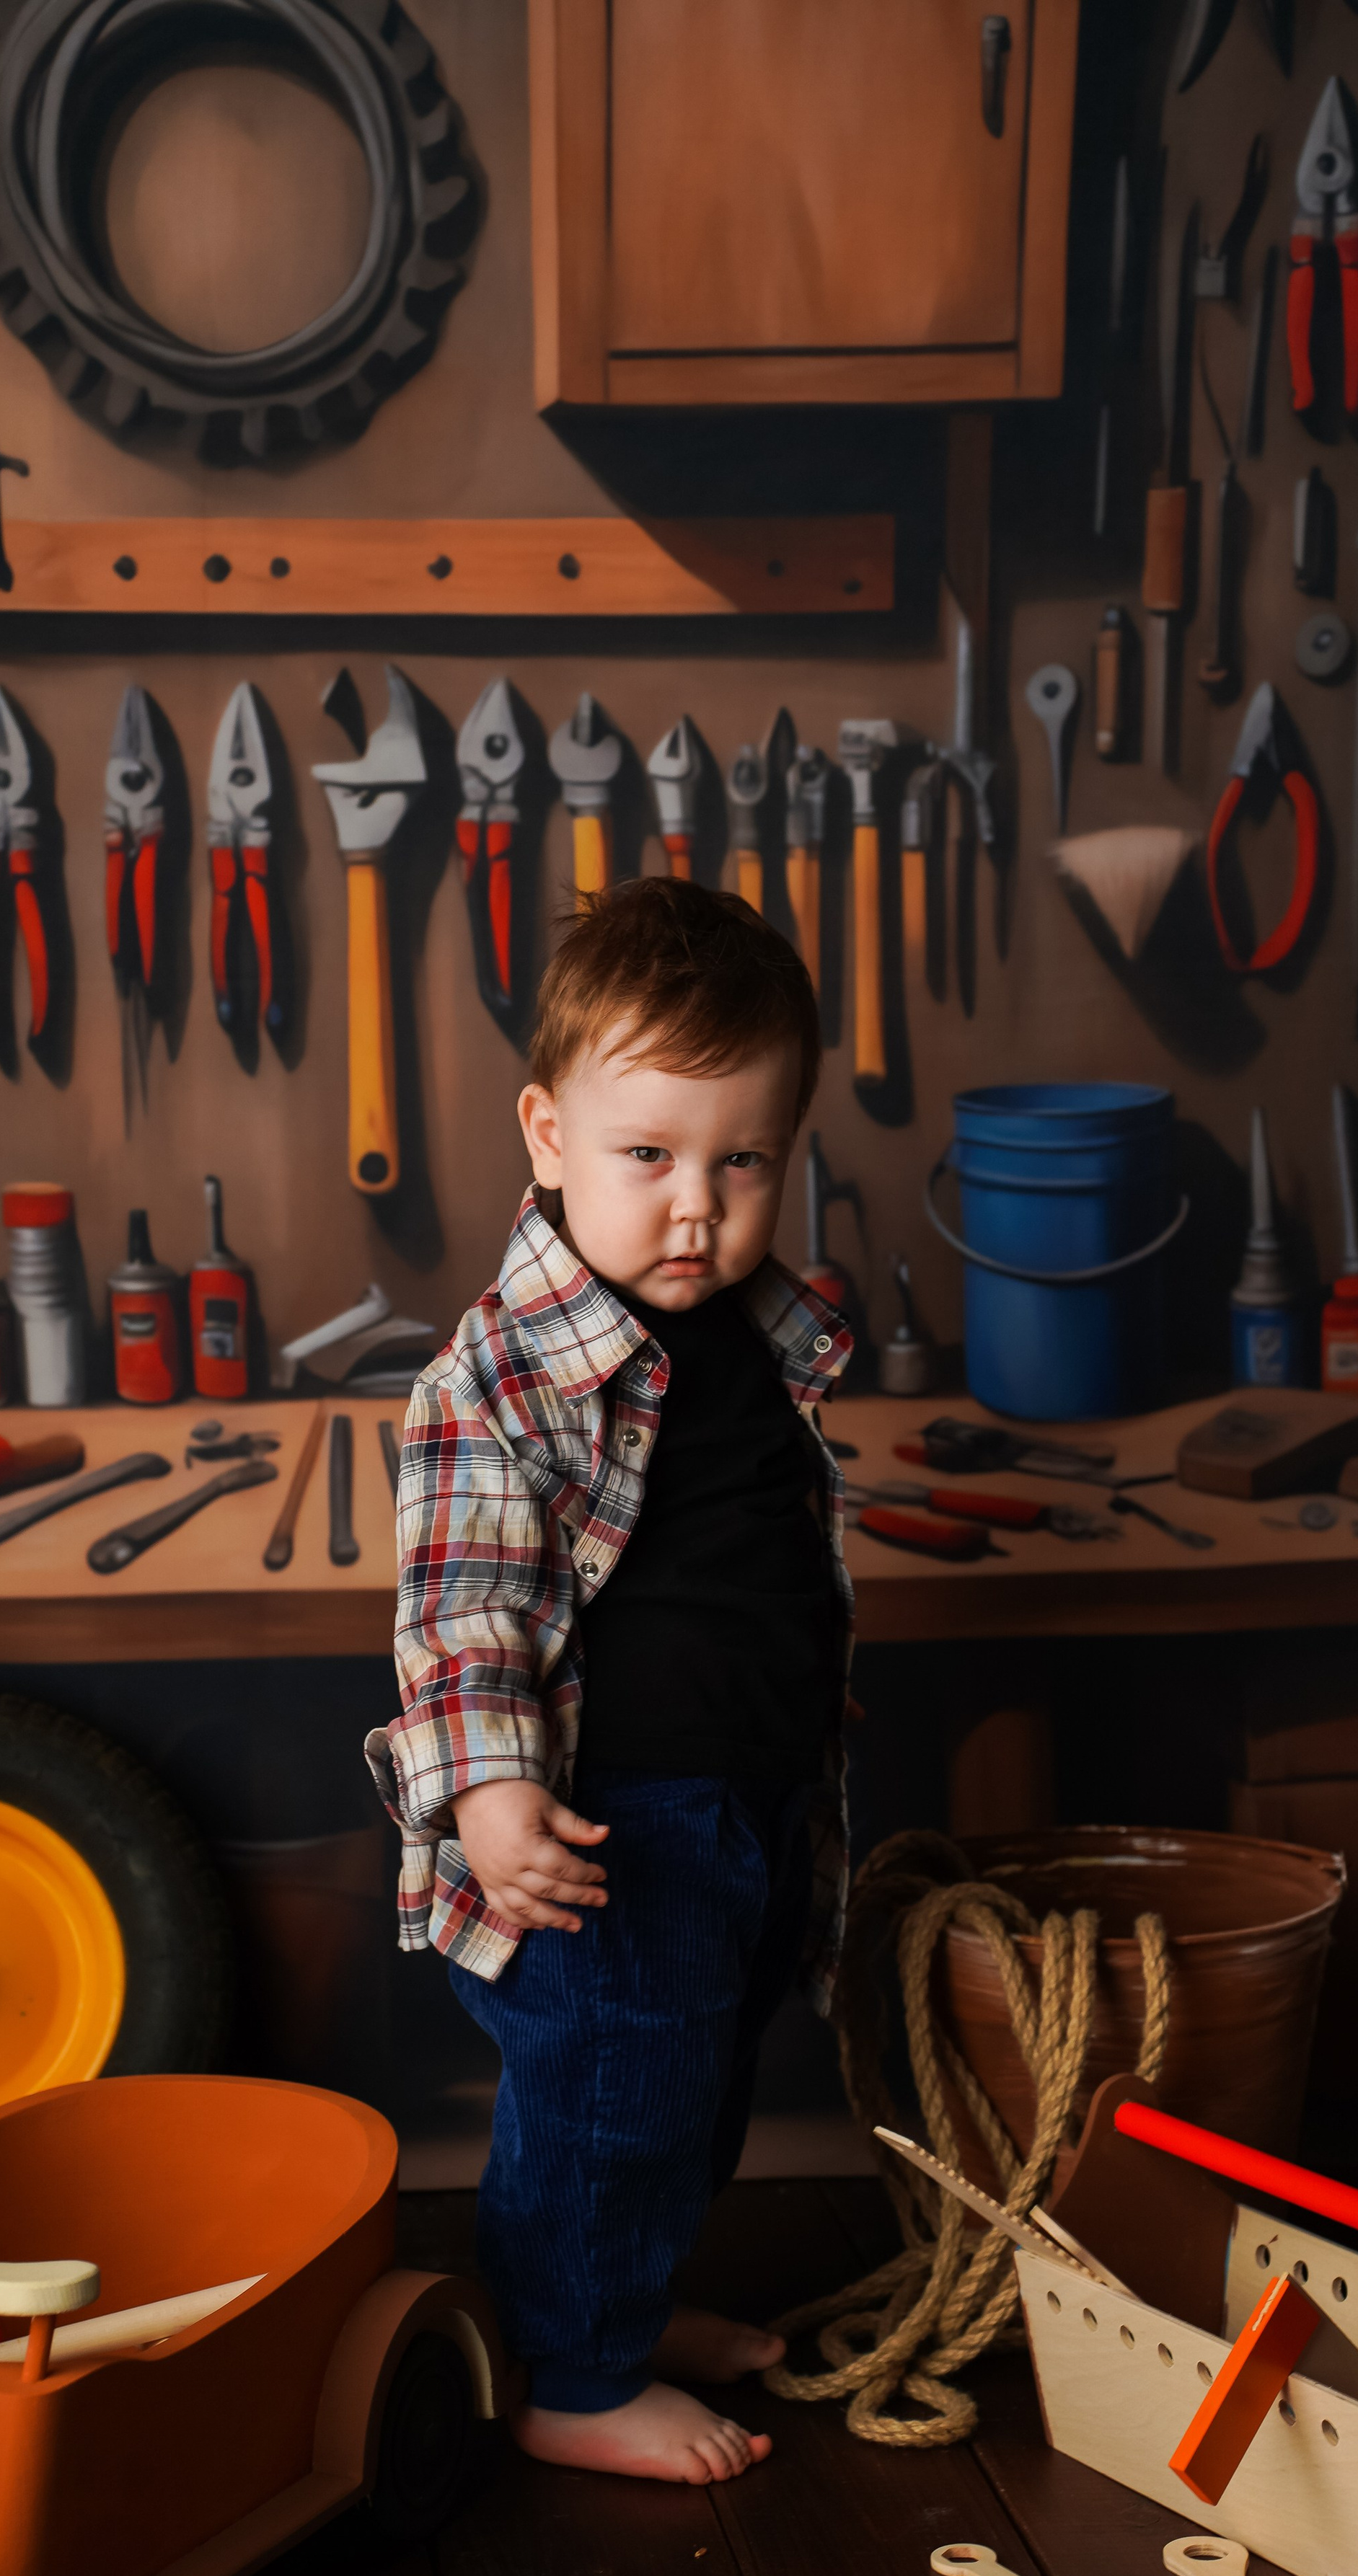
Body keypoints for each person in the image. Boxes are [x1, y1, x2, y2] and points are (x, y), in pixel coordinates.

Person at [367, 875, 852, 2485]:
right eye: (647, 1157)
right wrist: (493, 1794)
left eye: (742, 1162)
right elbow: (463, 1611)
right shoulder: (498, 1377)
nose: (695, 1208)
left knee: (696, 2085)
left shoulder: (759, 1339)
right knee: (605, 2101)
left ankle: (628, 2307)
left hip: (748, 1799)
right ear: (547, 1135)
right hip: (604, 1829)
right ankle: (570, 2377)